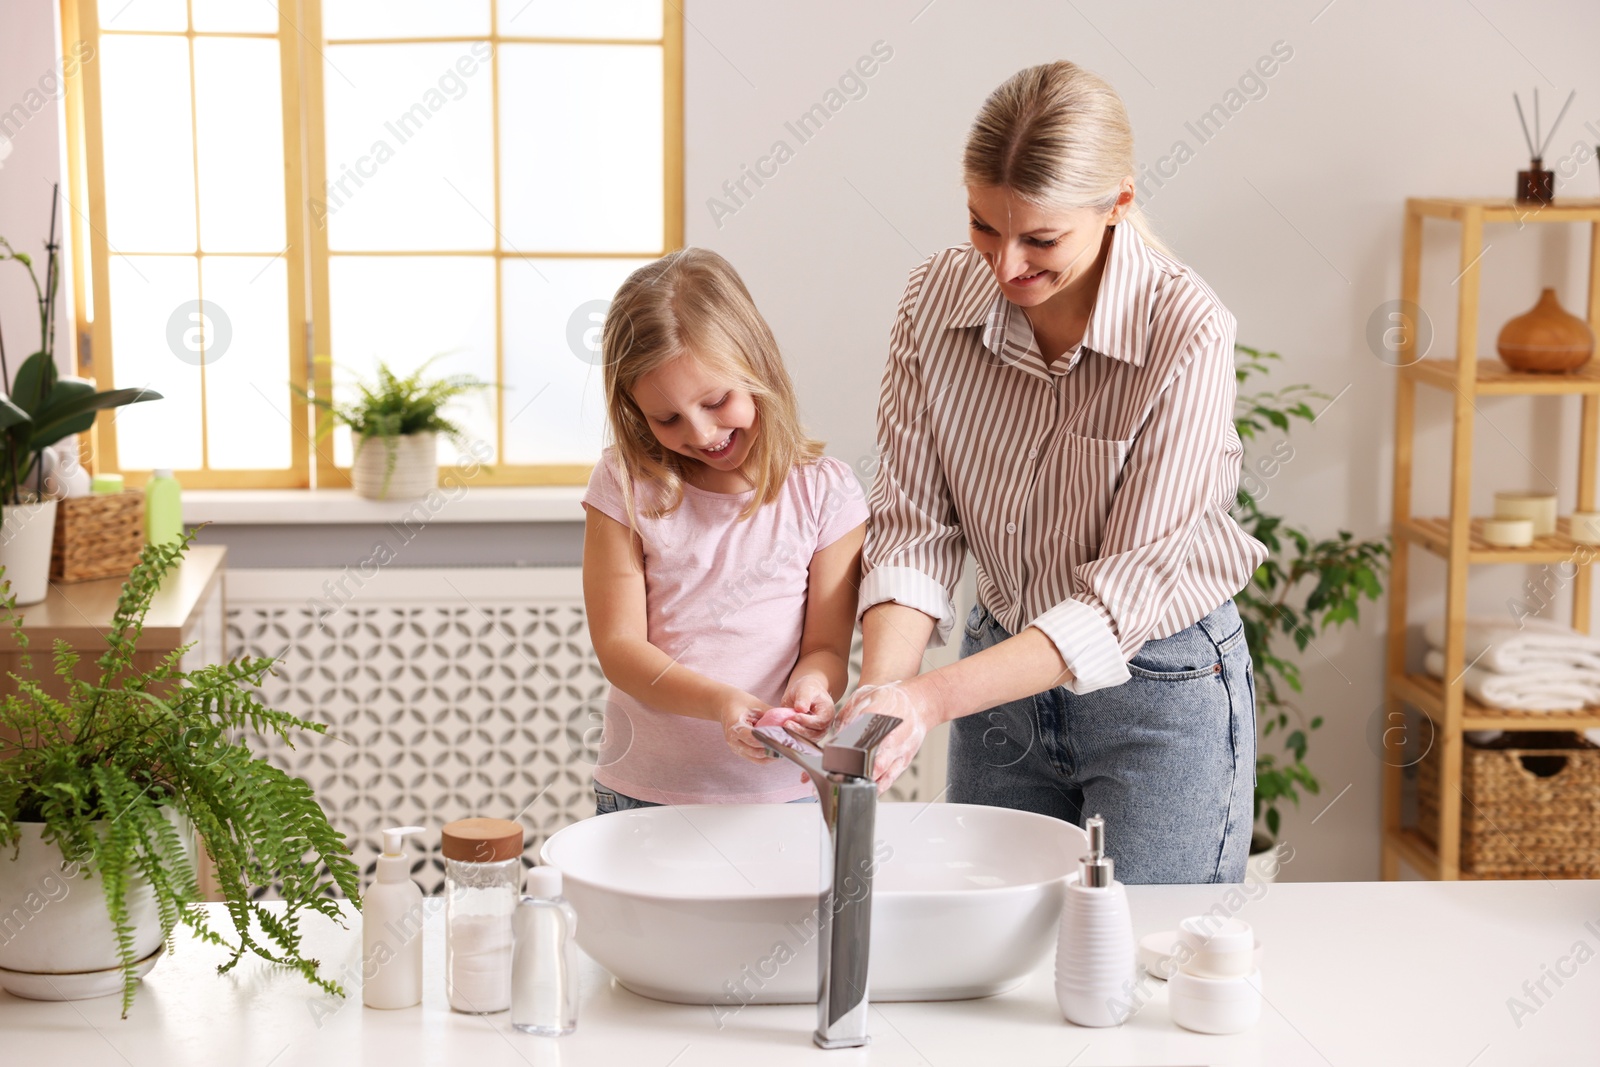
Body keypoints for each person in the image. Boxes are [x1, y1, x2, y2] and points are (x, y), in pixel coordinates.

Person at [841, 61, 1267, 884]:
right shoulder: (935, 300)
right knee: (997, 971)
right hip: (996, 679)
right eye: (983, 226)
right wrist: (880, 701)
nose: (1005, 267)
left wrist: (929, 700)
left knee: (1146, 965)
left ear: (1119, 203)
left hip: (1159, 688)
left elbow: (1117, 605)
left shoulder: (1188, 331)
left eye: (1040, 240)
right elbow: (915, 530)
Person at [582, 247, 867, 813]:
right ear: (636, 412)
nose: (702, 432)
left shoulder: (825, 493)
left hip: (783, 793)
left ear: (757, 368)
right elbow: (619, 649)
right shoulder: (625, 481)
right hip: (644, 792)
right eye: (667, 419)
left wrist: (814, 689)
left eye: (717, 401)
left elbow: (827, 648)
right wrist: (721, 704)